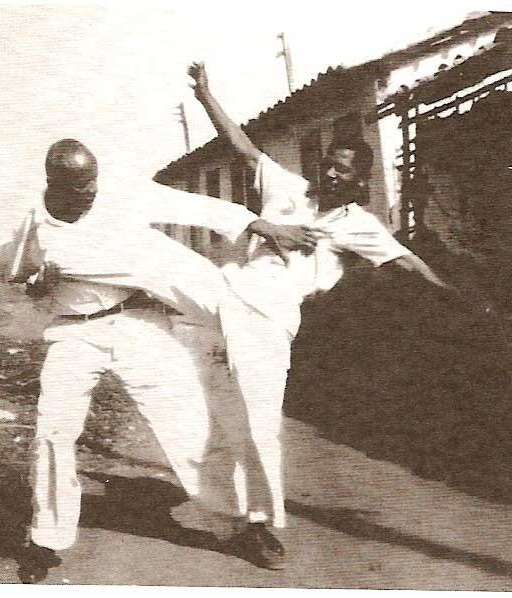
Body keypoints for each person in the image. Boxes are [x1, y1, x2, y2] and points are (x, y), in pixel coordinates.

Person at [187, 61, 468, 568]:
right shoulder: (286, 187)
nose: (331, 173)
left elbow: (406, 259)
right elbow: (242, 146)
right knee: (203, 408)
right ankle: (219, 503)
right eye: (329, 164)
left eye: (343, 170)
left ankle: (257, 524)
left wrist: (454, 294)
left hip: (270, 322)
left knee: (259, 423)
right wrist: (207, 95)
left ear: (359, 181)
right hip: (220, 300)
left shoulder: (358, 224)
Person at [10, 139, 317, 581]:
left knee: (188, 428)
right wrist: (40, 284)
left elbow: (187, 205)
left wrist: (257, 224)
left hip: (137, 321)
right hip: (73, 330)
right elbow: (20, 277)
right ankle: (46, 537)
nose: (92, 191)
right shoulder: (35, 223)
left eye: (94, 180)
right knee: (52, 431)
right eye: (81, 186)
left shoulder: (120, 194)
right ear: (55, 184)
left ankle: (242, 524)